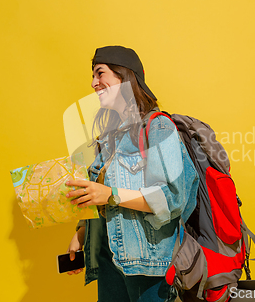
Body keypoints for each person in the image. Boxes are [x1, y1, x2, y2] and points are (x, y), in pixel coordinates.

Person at [64, 45, 199, 302]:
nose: (93, 83)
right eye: (92, 76)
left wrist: (111, 194)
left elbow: (171, 198)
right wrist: (81, 233)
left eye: (100, 73)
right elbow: (99, 197)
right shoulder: (109, 138)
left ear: (123, 76)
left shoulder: (158, 127)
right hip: (107, 259)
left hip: (146, 265)